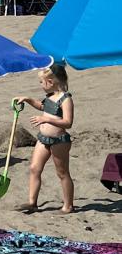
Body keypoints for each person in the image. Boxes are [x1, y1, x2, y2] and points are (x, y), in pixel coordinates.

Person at [16, 65, 75, 214]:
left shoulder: (65, 99)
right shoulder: (50, 97)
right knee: (34, 168)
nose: (41, 85)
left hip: (59, 140)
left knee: (62, 173)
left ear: (51, 81)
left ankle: (68, 205)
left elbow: (68, 122)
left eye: (42, 82)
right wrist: (28, 100)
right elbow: (42, 106)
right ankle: (32, 202)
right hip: (43, 139)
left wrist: (45, 120)